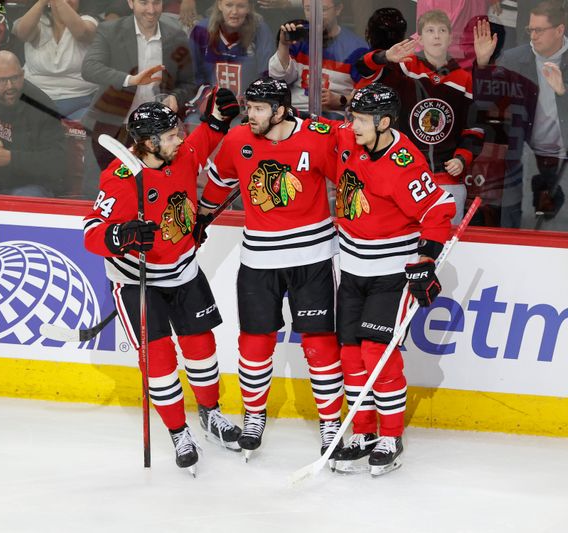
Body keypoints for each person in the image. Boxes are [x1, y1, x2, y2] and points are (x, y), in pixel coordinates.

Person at [82, 89, 241, 474]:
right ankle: (177, 432)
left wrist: (220, 112)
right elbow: (91, 233)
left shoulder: (183, 153)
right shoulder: (121, 179)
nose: (180, 140)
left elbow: (210, 132)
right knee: (161, 363)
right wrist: (120, 236)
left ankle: (210, 413)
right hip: (137, 282)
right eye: (171, 136)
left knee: (202, 349)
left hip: (184, 270)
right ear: (149, 143)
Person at [198, 77, 343, 461]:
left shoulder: (317, 137)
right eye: (250, 108)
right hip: (258, 259)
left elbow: (350, 179)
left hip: (311, 257)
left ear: (281, 110)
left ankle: (331, 422)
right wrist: (200, 217)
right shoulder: (237, 139)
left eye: (260, 109)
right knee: (255, 341)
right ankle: (254, 416)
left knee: (319, 343)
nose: (251, 115)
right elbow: (217, 182)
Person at [328, 83, 455, 476]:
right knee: (349, 355)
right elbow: (313, 132)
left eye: (363, 120)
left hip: (389, 274)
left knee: (375, 355)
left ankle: (391, 436)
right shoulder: (350, 138)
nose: (354, 126)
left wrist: (425, 259)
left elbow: (439, 208)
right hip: (350, 268)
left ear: (384, 123)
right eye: (353, 118)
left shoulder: (404, 163)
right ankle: (364, 433)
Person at [356, 9, 485, 222]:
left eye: (442, 30)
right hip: (405, 175)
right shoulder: (404, 67)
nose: (436, 35)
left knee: (442, 248)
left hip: (447, 182)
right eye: (430, 30)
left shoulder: (464, 79)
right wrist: (386, 56)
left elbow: (474, 128)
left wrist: (462, 159)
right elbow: (362, 68)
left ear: (450, 38)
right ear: (420, 39)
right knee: (405, 244)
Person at [473, 1, 568, 228]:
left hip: (563, 162)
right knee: (521, 228)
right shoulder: (512, 60)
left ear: (559, 30)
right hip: (524, 159)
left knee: (559, 232)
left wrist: (563, 93)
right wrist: (483, 64)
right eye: (529, 30)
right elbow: (485, 104)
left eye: (539, 30)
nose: (533, 36)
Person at [80, 0, 197, 170]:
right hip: (112, 124)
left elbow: (189, 82)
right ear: (131, 3)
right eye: (144, 3)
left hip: (155, 131)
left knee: (153, 190)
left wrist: (175, 97)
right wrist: (130, 80)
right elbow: (89, 68)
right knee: (103, 187)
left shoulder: (176, 36)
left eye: (156, 3)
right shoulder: (110, 30)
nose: (151, 10)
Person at [0, 50, 68, 197]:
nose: (10, 86)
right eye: (2, 80)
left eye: (15, 78)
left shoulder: (41, 105)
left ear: (22, 75)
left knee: (29, 196)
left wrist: (11, 158)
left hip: (23, 185)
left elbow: (57, 161)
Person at [268, 0, 369, 118]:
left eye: (323, 10)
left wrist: (340, 100)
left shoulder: (357, 47)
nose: (315, 16)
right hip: (296, 113)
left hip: (336, 116)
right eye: (308, 9)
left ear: (338, 9)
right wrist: (284, 46)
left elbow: (366, 96)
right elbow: (278, 78)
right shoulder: (298, 38)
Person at [12, 0, 97, 121]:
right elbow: (22, 33)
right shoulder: (37, 21)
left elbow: (82, 33)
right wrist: (41, 2)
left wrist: (58, 2)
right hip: (35, 99)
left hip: (80, 101)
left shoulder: (88, 21)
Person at [188, 0, 273, 99]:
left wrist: (252, 99)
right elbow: (192, 77)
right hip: (209, 103)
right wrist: (209, 98)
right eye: (229, 5)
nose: (234, 12)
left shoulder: (260, 30)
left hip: (249, 105)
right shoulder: (201, 31)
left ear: (249, 7)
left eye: (241, 6)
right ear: (220, 5)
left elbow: (266, 74)